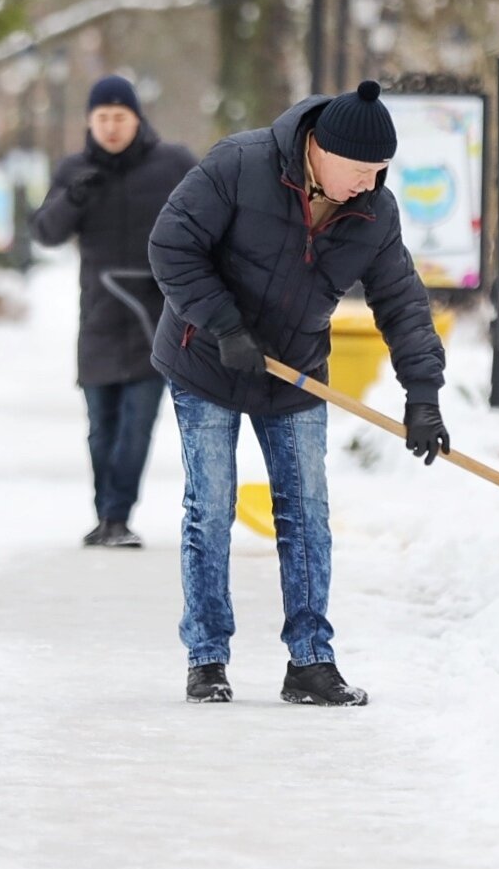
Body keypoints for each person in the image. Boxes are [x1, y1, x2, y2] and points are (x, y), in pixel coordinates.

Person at [149, 80, 448, 707]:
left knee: (307, 511)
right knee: (212, 506)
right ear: (320, 149)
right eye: (362, 170)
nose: (371, 183)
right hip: (206, 358)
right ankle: (207, 657)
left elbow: (402, 302)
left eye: (381, 171)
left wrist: (422, 395)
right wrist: (224, 326)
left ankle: (310, 660)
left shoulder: (374, 212)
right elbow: (172, 245)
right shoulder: (240, 164)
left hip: (296, 371)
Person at [32, 75, 196, 548]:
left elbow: (208, 215)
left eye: (119, 117)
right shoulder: (75, 170)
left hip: (156, 319)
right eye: (101, 118)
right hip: (100, 318)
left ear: (136, 118)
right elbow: (45, 233)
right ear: (89, 121)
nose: (110, 127)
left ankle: (117, 516)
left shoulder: (173, 164)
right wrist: (74, 197)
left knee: (136, 426)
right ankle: (105, 514)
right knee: (101, 428)